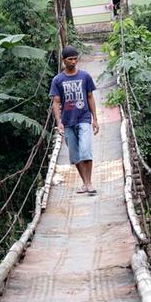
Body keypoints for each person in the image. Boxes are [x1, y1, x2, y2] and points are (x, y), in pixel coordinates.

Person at [49, 46, 100, 195]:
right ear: (63, 60)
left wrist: (95, 119)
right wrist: (59, 122)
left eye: (75, 58)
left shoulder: (85, 76)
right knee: (75, 155)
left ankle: (89, 183)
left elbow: (90, 97)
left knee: (85, 151)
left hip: (83, 118)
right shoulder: (58, 80)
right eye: (70, 59)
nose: (73, 61)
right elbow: (56, 103)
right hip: (67, 121)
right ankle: (85, 183)